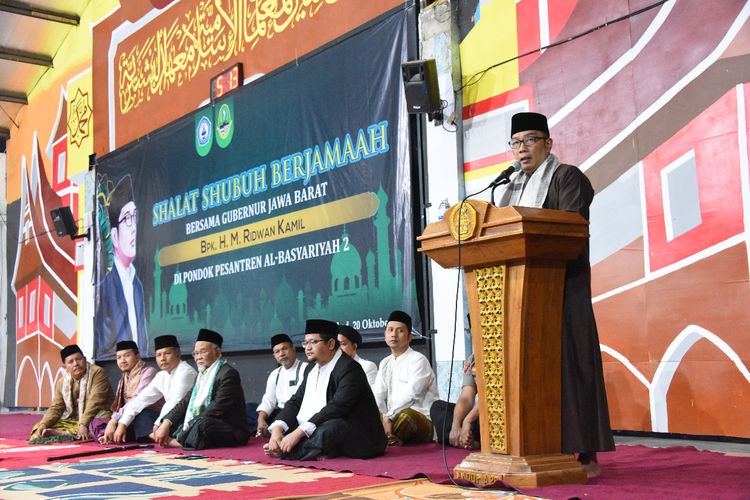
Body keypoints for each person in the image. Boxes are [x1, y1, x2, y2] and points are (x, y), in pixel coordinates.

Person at [497, 111, 615, 477]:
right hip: (521, 296)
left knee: (572, 367)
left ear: (548, 143)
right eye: (516, 142)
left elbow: (571, 227)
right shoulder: (510, 188)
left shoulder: (567, 177)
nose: (522, 149)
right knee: (534, 373)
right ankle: (539, 444)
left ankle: (587, 453)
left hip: (563, 287)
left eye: (530, 140)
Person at [264, 319, 386, 460]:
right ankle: (303, 448)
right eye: (305, 343)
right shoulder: (311, 369)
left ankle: (288, 452)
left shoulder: (350, 368)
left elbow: (337, 407)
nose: (307, 348)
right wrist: (277, 429)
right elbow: (295, 401)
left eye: (313, 342)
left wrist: (298, 433)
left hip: (361, 437)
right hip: (324, 425)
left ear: (331, 344)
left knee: (332, 427)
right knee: (287, 423)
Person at [154, 328, 250, 450]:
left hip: (230, 429)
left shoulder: (228, 374)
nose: (198, 357)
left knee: (203, 424)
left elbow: (215, 409)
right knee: (176, 420)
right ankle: (183, 437)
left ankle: (181, 441)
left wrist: (186, 429)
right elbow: (185, 402)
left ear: (217, 352)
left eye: (202, 352)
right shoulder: (201, 374)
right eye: (196, 353)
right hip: (206, 420)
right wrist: (166, 423)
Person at [103, 335, 197, 444]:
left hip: (182, 417)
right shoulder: (162, 375)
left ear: (177, 353)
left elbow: (175, 402)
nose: (162, 358)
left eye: (167, 353)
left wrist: (158, 424)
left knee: (147, 416)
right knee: (140, 414)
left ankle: (168, 440)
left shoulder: (186, 372)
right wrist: (122, 424)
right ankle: (160, 437)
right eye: (158, 355)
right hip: (166, 419)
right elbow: (140, 400)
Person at [95, 175, 148, 360]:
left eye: (134, 217)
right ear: (114, 236)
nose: (133, 226)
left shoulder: (137, 286)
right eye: (127, 219)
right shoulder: (104, 286)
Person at [372, 310, 439, 446]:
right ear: (385, 335)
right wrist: (383, 417)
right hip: (392, 418)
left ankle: (384, 440)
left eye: (400, 330)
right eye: (390, 330)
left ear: (409, 337)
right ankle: (389, 438)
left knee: (406, 415)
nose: (394, 334)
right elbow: (377, 394)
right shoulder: (385, 362)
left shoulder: (418, 360)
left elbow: (412, 394)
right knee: (369, 415)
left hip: (421, 419)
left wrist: (389, 416)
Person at [30, 345, 114, 441]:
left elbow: (95, 401)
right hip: (75, 421)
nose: (76, 364)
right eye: (71, 362)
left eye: (78, 359)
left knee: (100, 425)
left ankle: (66, 433)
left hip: (97, 415)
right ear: (65, 367)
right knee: (38, 426)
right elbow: (56, 408)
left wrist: (83, 424)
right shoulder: (62, 382)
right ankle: (71, 433)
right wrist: (44, 424)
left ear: (85, 359)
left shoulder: (97, 373)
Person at [92, 340, 160, 443]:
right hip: (128, 417)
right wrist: (113, 421)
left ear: (137, 356)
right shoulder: (123, 379)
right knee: (96, 422)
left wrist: (114, 420)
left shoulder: (148, 372)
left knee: (142, 416)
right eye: (119, 357)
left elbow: (137, 400)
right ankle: (109, 436)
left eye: (126, 356)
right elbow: (120, 406)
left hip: (147, 414)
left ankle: (152, 437)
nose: (122, 360)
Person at [256, 333, 307, 437]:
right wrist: (261, 419)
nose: (281, 354)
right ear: (274, 356)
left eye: (284, 349)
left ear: (293, 349)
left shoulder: (306, 369)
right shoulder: (275, 374)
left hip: (298, 413)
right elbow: (268, 401)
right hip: (279, 413)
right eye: (277, 351)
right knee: (251, 415)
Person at [430, 354, 480, 450]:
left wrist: (468, 420)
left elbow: (490, 398)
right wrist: (455, 425)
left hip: (493, 412)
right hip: (476, 413)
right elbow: (466, 398)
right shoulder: (473, 358)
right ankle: (464, 439)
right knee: (437, 407)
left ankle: (475, 442)